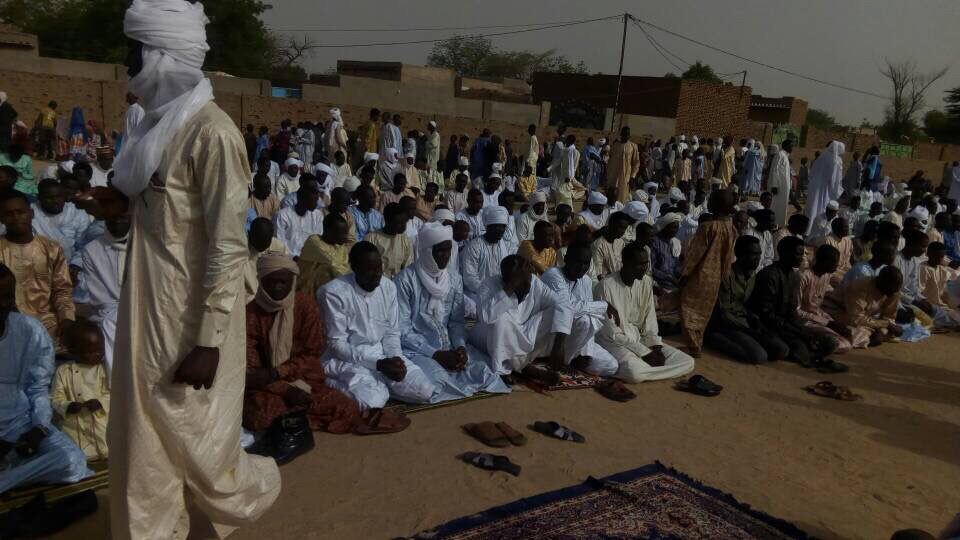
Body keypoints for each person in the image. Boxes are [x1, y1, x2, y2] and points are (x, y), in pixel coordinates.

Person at [81, 3, 281, 535]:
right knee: (143, 439)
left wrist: (210, 339)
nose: (127, 66)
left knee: (195, 435)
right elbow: (165, 215)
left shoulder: (212, 134)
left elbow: (225, 244)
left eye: (134, 53)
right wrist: (118, 205)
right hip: (147, 308)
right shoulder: (157, 128)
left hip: (193, 317)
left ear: (162, 57)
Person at [245, 254, 389, 441]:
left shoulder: (304, 306)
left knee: (346, 408)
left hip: (303, 379)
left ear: (293, 281)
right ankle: (300, 416)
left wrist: (280, 372)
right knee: (262, 415)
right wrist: (285, 389)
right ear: (261, 281)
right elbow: (252, 370)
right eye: (271, 282)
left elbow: (311, 354)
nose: (278, 288)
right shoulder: (251, 314)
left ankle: (297, 417)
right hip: (265, 387)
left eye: (283, 282)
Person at [0, 263, 91, 493]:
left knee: (72, 462)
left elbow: (38, 388)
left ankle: (9, 477)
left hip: (21, 425)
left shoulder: (30, 330)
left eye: (8, 296)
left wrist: (39, 427)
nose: (6, 304)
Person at [395, 223, 509, 402]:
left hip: (449, 345)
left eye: (448, 250)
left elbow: (456, 322)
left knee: (487, 371)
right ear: (426, 251)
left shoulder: (453, 278)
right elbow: (402, 328)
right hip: (417, 349)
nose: (446, 256)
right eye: (440, 251)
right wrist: (435, 354)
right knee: (436, 382)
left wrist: (460, 347)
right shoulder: (405, 280)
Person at [321, 242, 436, 407]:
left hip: (383, 355)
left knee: (424, 390)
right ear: (354, 267)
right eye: (370, 269)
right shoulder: (333, 293)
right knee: (373, 403)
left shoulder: (388, 287)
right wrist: (378, 365)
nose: (377, 274)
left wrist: (395, 359)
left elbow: (391, 333)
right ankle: (330, 383)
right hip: (348, 359)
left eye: (379, 268)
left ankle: (380, 386)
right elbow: (336, 344)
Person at [595, 242, 695, 381]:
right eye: (639, 264)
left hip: (641, 339)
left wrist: (655, 347)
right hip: (614, 343)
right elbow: (612, 333)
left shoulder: (646, 282)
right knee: (634, 372)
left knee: (688, 361)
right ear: (625, 263)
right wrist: (644, 353)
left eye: (646, 263)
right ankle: (650, 370)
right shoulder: (605, 286)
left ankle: (649, 371)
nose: (644, 268)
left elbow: (650, 319)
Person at [468, 255, 573, 385]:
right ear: (507, 279)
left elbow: (562, 304)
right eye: (521, 279)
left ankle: (521, 366)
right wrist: (511, 286)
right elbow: (486, 317)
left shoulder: (534, 282)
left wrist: (558, 346)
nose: (528, 283)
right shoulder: (488, 285)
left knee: (556, 313)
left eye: (528, 276)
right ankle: (509, 370)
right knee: (500, 321)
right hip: (489, 338)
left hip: (522, 335)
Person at [748, 236, 843, 370]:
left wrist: (800, 330)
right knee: (783, 349)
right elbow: (766, 314)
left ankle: (806, 352)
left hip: (784, 324)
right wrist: (795, 330)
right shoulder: (769, 275)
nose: (802, 257)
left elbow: (792, 311)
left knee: (828, 342)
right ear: (784, 253)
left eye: (803, 253)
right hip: (765, 325)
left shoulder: (793, 275)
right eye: (798, 254)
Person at [0, 190, 75, 349]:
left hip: (46, 322)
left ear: (31, 213)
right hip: (5, 321)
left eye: (20, 212)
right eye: (9, 214)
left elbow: (62, 291)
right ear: (1, 218)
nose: (16, 218)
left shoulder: (51, 249)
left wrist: (67, 319)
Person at [539, 242, 619, 377]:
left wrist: (586, 352)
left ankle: (576, 359)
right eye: (577, 262)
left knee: (611, 366)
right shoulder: (553, 275)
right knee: (585, 320)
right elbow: (567, 308)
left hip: (575, 340)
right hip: (550, 333)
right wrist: (603, 305)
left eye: (586, 263)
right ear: (566, 259)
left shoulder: (586, 281)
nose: (582, 267)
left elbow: (589, 313)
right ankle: (563, 360)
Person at [704, 236, 781, 364]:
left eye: (759, 254)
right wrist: (750, 332)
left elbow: (746, 305)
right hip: (725, 323)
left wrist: (756, 323)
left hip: (743, 320)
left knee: (780, 349)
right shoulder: (726, 275)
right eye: (753, 254)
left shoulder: (752, 276)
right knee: (759, 356)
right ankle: (713, 339)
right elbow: (723, 313)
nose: (757, 258)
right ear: (740, 254)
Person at [679, 190, 738, 356]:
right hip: (716, 277)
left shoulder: (707, 227)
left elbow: (694, 255)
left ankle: (692, 346)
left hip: (700, 275)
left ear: (717, 205)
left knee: (689, 308)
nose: (709, 201)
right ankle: (696, 343)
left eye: (711, 199)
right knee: (703, 311)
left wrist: (684, 274)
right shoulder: (731, 228)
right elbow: (728, 257)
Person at [51, 320, 111, 460]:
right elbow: (55, 398)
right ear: (73, 351)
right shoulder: (64, 371)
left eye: (100, 350)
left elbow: (113, 394)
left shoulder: (104, 369)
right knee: (72, 451)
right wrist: (67, 406)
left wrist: (100, 402)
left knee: (108, 444)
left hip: (101, 421)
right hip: (75, 425)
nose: (97, 354)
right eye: (91, 352)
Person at [79, 215, 129, 378]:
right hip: (109, 312)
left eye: (124, 217)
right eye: (113, 217)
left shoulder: (146, 244)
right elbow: (102, 300)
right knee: (109, 326)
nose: (118, 220)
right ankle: (117, 387)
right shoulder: (91, 250)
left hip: (146, 308)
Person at [795, 244, 853, 354]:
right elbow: (796, 311)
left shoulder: (826, 276)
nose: (837, 265)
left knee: (850, 332)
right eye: (835, 262)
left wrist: (830, 321)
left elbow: (822, 299)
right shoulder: (803, 276)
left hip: (818, 316)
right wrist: (827, 323)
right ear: (825, 262)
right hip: (803, 320)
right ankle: (813, 344)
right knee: (844, 344)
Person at [825, 266, 903, 348]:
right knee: (859, 334)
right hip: (836, 310)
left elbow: (889, 317)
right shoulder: (860, 286)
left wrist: (882, 330)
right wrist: (885, 325)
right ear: (881, 281)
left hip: (861, 318)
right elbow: (855, 319)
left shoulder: (893, 292)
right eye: (891, 289)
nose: (892, 294)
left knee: (888, 333)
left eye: (895, 290)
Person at [461, 206, 514, 314]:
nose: (500, 230)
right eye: (496, 226)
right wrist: (489, 291)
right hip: (477, 294)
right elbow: (469, 278)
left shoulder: (503, 245)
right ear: (488, 226)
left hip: (500, 293)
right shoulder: (474, 246)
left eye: (503, 226)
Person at [297, 213, 351, 295]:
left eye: (346, 233)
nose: (346, 237)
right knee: (324, 269)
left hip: (330, 287)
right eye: (342, 233)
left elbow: (344, 266)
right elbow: (333, 265)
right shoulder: (314, 241)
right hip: (307, 287)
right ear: (329, 231)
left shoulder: (341, 247)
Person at [273, 177, 324, 257]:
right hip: (288, 260)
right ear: (302, 198)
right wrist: (293, 258)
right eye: (313, 200)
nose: (316, 203)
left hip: (310, 259)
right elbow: (279, 244)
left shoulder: (317, 215)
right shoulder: (282, 215)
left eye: (316, 200)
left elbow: (317, 242)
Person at [805, 141, 846, 235]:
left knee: (812, 207)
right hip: (824, 188)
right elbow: (835, 179)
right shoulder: (836, 160)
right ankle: (817, 231)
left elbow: (812, 172)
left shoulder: (822, 156)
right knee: (821, 208)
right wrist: (838, 192)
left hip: (814, 186)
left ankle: (807, 230)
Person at [365, 202, 413, 279]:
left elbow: (408, 265)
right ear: (387, 221)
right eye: (399, 223)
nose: (403, 226)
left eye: (404, 222)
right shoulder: (371, 238)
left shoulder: (405, 240)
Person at [919, 241, 960, 328]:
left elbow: (945, 293)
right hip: (927, 305)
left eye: (941, 256)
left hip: (941, 306)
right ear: (928, 254)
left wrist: (955, 305)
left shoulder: (943, 270)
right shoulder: (923, 268)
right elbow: (919, 291)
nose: (939, 259)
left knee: (954, 315)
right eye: (936, 256)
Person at [591, 212, 631, 281]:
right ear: (611, 225)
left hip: (621, 280)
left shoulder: (621, 242)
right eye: (620, 227)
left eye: (625, 228)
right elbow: (598, 274)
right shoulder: (598, 245)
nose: (623, 231)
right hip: (606, 283)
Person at [606, 126, 641, 203]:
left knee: (622, 198)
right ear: (621, 134)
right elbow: (610, 160)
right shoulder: (615, 145)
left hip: (625, 177)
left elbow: (636, 163)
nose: (626, 136)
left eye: (628, 134)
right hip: (613, 176)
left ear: (629, 135)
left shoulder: (633, 146)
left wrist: (633, 176)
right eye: (624, 134)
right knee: (611, 198)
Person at [650, 212, 683, 290]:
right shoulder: (655, 242)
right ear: (664, 227)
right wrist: (669, 278)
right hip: (659, 285)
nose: (675, 230)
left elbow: (675, 266)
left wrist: (681, 274)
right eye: (673, 227)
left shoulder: (674, 242)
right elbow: (651, 269)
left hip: (673, 284)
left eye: (677, 228)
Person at [818, 217, 853, 285]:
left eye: (847, 227)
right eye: (845, 227)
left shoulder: (848, 240)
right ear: (836, 229)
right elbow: (824, 265)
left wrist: (851, 271)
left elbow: (847, 260)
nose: (847, 229)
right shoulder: (827, 240)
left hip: (843, 269)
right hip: (830, 272)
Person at [766, 140, 792, 227]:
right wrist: (774, 185)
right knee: (775, 205)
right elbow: (774, 170)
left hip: (784, 188)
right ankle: (773, 223)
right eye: (791, 146)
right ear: (786, 146)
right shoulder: (780, 155)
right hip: (778, 188)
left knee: (781, 207)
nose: (792, 148)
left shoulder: (785, 156)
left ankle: (780, 224)